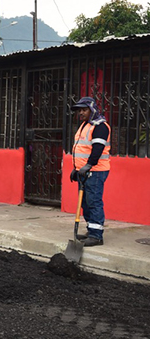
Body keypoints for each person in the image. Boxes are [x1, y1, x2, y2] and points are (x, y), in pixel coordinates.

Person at [69, 96, 110, 247]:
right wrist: (77, 168)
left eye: (84, 110)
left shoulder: (100, 126)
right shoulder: (85, 125)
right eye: (79, 110)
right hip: (84, 171)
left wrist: (89, 165)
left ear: (92, 110)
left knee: (93, 201)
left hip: (96, 171)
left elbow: (97, 149)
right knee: (85, 202)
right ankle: (91, 230)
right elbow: (82, 149)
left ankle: (96, 236)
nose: (81, 113)